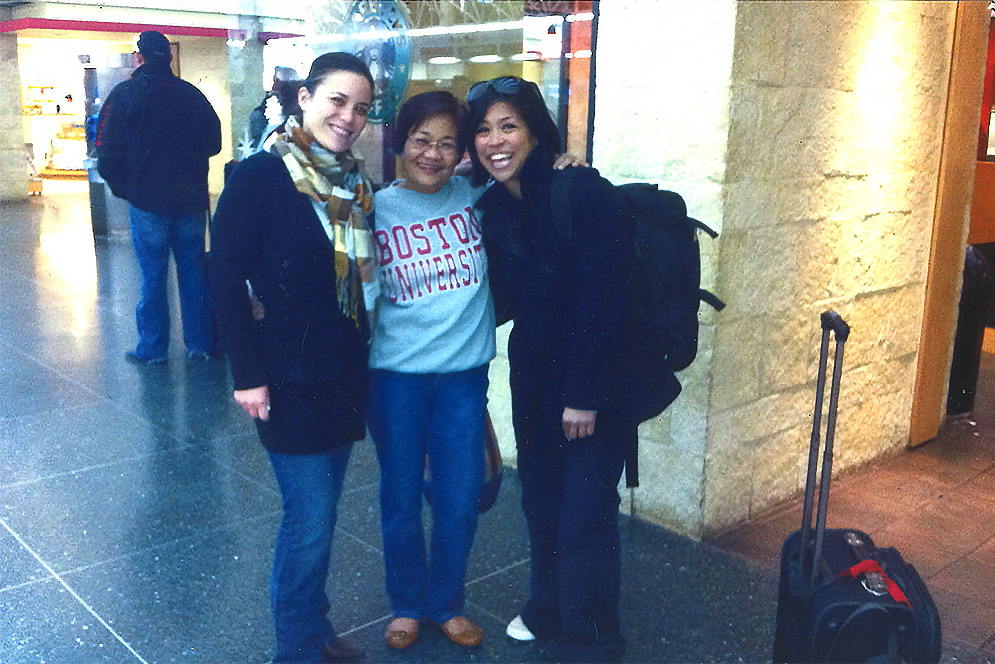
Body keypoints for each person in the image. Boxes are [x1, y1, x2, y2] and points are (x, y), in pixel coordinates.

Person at [209, 52, 376, 664]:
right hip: (285, 378)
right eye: (337, 100)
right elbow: (224, 281)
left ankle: (312, 623)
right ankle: (296, 647)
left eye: (361, 108)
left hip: (339, 374)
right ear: (305, 98)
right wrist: (247, 376)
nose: (349, 117)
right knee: (307, 518)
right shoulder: (258, 177)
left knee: (323, 515)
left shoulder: (356, 181)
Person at [465, 76, 635, 664]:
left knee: (584, 516)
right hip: (534, 379)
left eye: (508, 125)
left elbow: (603, 298)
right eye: (483, 129)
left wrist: (584, 395)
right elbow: (510, 300)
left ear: (536, 131)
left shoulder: (577, 190)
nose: (496, 140)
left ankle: (592, 640)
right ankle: (545, 609)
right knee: (540, 500)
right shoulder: (492, 206)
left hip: (594, 384)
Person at [367, 91, 492, 651]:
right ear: (401, 142)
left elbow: (533, 181)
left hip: (464, 378)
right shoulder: (374, 209)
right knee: (398, 495)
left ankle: (446, 603)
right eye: (422, 140)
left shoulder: (477, 199)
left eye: (447, 144)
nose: (433, 154)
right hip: (396, 377)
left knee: (459, 497)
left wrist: (563, 159)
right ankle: (407, 603)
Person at [95, 30, 222, 365]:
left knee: (153, 275)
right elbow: (215, 143)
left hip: (148, 203)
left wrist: (128, 189)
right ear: (167, 58)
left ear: (139, 58)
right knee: (193, 272)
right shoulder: (191, 94)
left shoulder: (125, 94)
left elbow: (105, 152)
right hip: (192, 202)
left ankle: (153, 349)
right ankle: (200, 344)